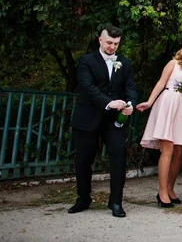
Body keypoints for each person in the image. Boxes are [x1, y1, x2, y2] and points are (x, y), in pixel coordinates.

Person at [68, 26, 137, 218]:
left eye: (116, 43)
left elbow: (130, 87)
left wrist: (130, 104)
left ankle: (116, 201)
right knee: (83, 160)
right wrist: (109, 103)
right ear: (100, 40)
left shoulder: (124, 63)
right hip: (88, 116)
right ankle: (83, 199)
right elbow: (87, 87)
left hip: (113, 121)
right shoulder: (86, 60)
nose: (112, 47)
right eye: (109, 42)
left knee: (118, 157)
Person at [137, 43, 182, 208]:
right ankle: (162, 191)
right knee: (168, 149)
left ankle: (170, 189)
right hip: (168, 104)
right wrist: (149, 102)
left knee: (179, 152)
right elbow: (160, 83)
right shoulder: (173, 64)